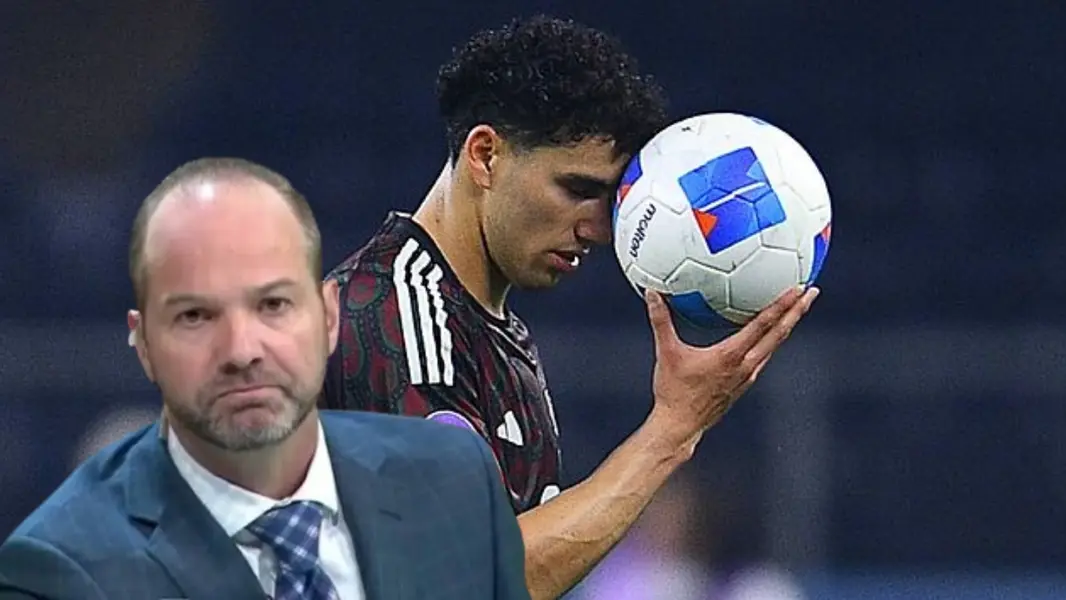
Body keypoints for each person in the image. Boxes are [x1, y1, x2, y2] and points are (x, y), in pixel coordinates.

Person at [322, 15, 820, 600]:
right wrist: (672, 429)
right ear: (485, 155)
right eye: (577, 190)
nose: (599, 230)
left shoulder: (488, 329)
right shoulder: (396, 316)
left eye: (608, 204)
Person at [0, 158, 530, 600]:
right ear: (144, 344)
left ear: (329, 316)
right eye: (195, 316)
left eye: (274, 305)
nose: (241, 351)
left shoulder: (452, 478)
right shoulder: (60, 573)